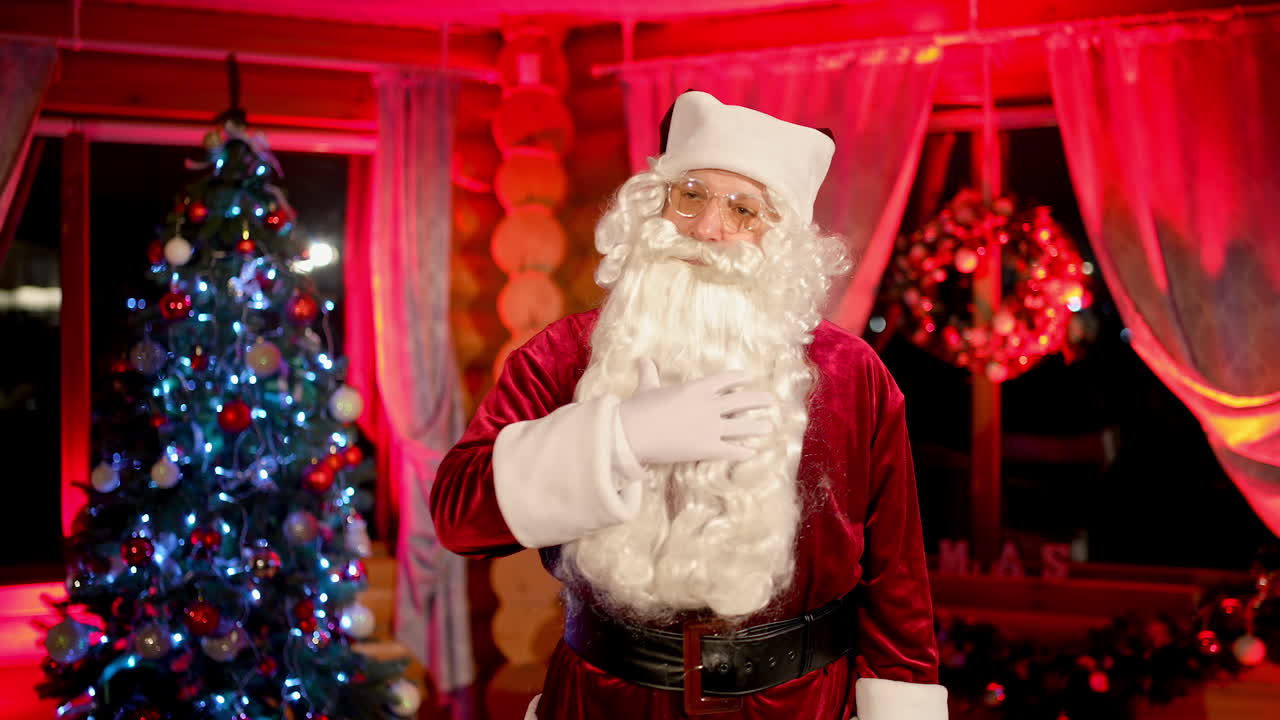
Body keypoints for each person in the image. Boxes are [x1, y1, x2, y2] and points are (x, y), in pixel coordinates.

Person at [431, 91, 946, 720]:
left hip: (796, 705)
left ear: (781, 240)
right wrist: (617, 439)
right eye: (691, 195)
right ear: (654, 209)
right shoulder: (566, 354)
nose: (709, 228)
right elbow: (458, 513)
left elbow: (898, 583)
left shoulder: (851, 374)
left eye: (745, 209)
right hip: (605, 702)